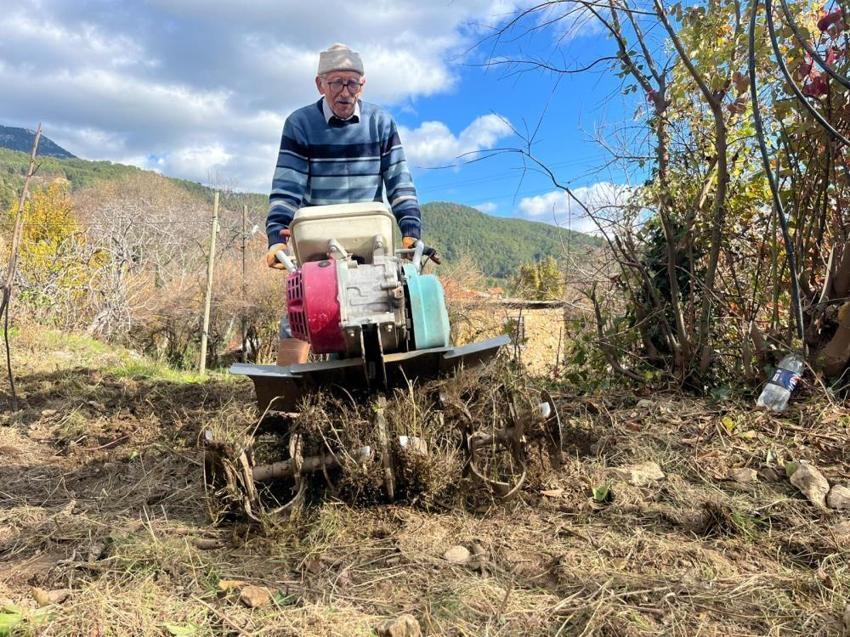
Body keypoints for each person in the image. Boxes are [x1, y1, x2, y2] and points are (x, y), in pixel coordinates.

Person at [265, 43, 423, 365]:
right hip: (318, 242)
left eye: (352, 82)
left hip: (370, 240)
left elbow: (399, 181)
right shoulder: (301, 124)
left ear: (362, 84)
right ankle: (285, 402)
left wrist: (410, 228)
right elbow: (287, 186)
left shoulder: (381, 122)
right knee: (301, 315)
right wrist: (275, 237)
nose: (345, 92)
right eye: (336, 82)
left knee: (395, 309)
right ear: (320, 84)